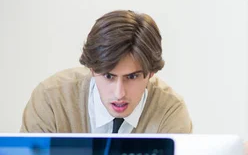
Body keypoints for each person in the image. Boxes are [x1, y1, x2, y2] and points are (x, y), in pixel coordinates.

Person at [20, 10, 192, 134]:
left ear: (151, 73)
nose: (119, 93)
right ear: (92, 69)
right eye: (109, 76)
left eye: (132, 77)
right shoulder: (51, 100)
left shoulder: (170, 111)